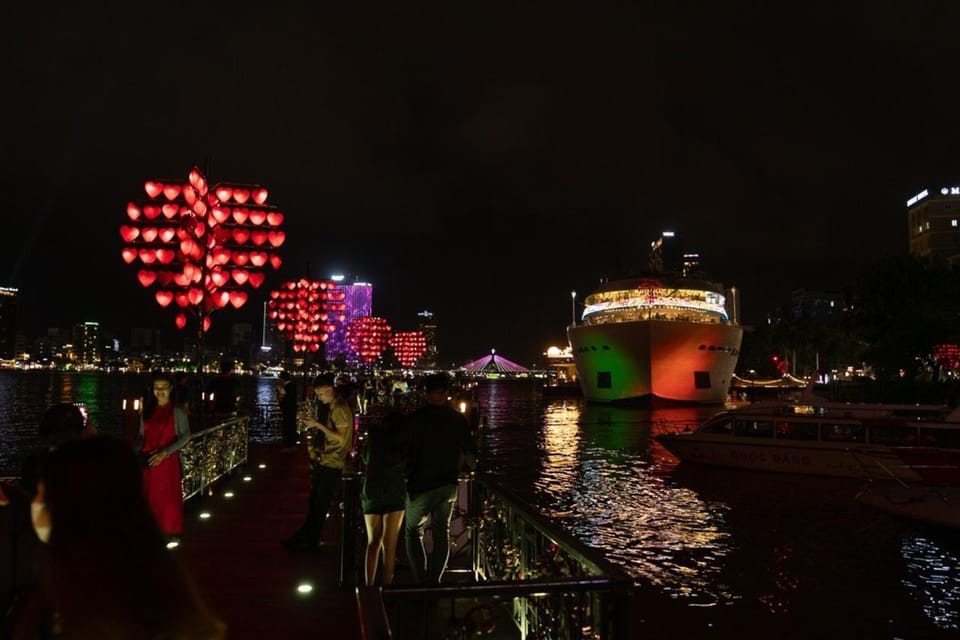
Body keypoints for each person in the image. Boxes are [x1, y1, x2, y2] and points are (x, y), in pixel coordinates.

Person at [19, 436, 225, 640]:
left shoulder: (81, 611)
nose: (34, 504)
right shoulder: (167, 600)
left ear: (73, 513)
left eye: (44, 497)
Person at [401, 373, 477, 584]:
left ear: (426, 394)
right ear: (445, 395)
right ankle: (434, 581)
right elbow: (471, 453)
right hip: (448, 485)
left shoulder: (415, 419)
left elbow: (402, 448)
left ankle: (420, 579)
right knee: (441, 532)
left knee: (412, 532)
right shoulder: (457, 419)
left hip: (420, 483)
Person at [282, 374, 354, 553]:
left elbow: (340, 438)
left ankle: (310, 540)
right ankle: (305, 536)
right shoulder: (331, 406)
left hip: (333, 462)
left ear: (330, 390)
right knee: (315, 503)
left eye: (321, 394)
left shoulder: (339, 409)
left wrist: (317, 425)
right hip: (325, 459)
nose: (319, 398)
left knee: (320, 504)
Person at [135, 372, 190, 539]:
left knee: (167, 497)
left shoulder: (177, 411)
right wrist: (134, 452)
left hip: (167, 461)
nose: (160, 391)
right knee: (149, 497)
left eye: (164, 387)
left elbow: (186, 435)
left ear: (171, 388)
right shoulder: (147, 411)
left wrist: (165, 452)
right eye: (156, 388)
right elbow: (141, 436)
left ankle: (170, 530)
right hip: (148, 461)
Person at [361, 412, 407, 586]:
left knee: (373, 542)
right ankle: (387, 587)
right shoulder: (401, 443)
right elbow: (406, 463)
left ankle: (369, 585)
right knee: (390, 545)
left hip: (373, 489)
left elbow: (365, 459)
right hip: (394, 489)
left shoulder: (373, 439)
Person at [277, 371, 299, 448]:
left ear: (282, 379)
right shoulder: (293, 385)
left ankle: (290, 444)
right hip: (292, 409)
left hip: (288, 410)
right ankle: (292, 443)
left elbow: (284, 399)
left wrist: (280, 395)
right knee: (292, 426)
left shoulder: (285, 387)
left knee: (289, 426)